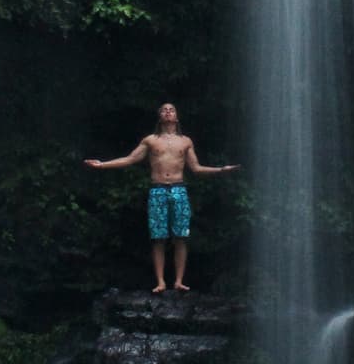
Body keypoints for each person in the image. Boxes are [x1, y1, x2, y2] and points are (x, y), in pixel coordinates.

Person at [85, 102, 240, 294]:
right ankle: (160, 282)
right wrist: (102, 165)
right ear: (160, 116)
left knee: (181, 236)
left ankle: (179, 281)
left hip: (178, 189)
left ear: (176, 117)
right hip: (157, 189)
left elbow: (196, 168)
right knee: (158, 237)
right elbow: (130, 159)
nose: (168, 112)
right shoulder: (150, 140)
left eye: (171, 109)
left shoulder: (185, 141)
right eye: (164, 110)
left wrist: (220, 170)